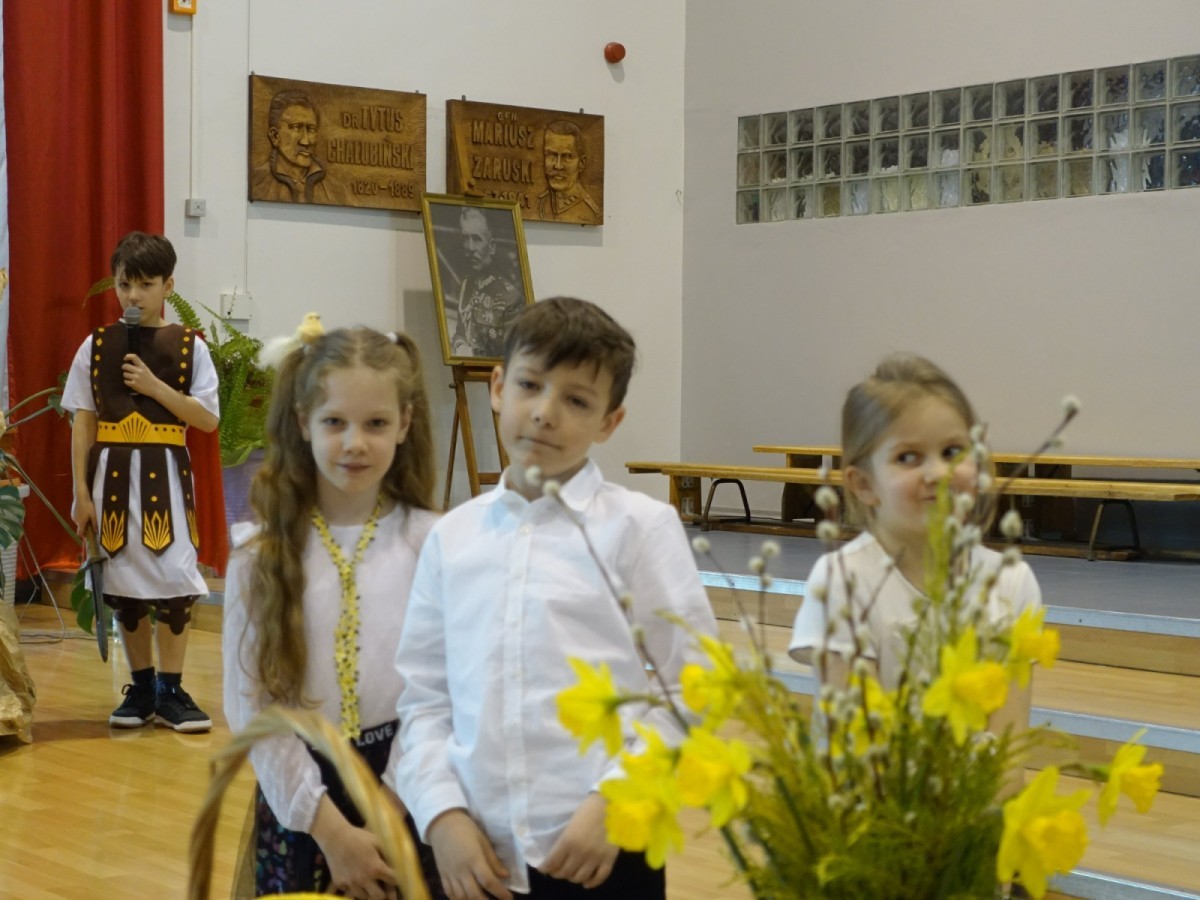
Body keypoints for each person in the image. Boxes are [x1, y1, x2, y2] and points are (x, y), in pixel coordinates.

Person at [393, 297, 718, 899]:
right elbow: (424, 698)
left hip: (602, 845)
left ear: (609, 422)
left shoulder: (639, 528)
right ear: (497, 388)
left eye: (576, 401)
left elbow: (695, 685)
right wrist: (441, 816)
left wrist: (617, 801)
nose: (545, 413)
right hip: (473, 855)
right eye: (530, 385)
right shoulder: (451, 537)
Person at [223, 324, 446, 898]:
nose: (355, 443)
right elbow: (252, 707)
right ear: (303, 423)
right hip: (303, 806)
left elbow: (443, 692)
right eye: (334, 422)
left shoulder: (434, 544)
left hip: (408, 788)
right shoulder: (258, 555)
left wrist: (386, 812)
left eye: (376, 423)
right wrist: (333, 832)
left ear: (405, 423)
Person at [788, 353, 1041, 733]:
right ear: (863, 484)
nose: (938, 473)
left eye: (952, 452)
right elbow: (858, 746)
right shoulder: (843, 580)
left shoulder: (1012, 582)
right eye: (908, 457)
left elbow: (1008, 744)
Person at [63, 232, 220, 732]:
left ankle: (172, 690)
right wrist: (81, 493)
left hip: (166, 477)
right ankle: (143, 688)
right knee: (124, 584)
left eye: (146, 285)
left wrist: (154, 387)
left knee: (174, 581)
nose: (133, 295)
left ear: (168, 285)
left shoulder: (190, 346)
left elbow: (207, 419)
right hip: (111, 479)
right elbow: (83, 420)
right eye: (124, 284)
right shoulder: (96, 345)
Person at [450, 206, 524, 359]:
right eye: (465, 238)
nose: (470, 247)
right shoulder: (466, 285)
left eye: (477, 239)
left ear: (491, 247)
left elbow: (512, 357)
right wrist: (460, 345)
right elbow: (460, 332)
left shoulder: (511, 297)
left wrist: (472, 354)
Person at [251, 89, 339, 205]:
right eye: (296, 127)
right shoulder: (256, 183)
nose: (305, 141)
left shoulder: (336, 190)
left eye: (311, 129)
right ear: (275, 136)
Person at [536, 121, 601, 225]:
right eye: (551, 155)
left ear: (581, 163)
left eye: (567, 156)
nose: (558, 165)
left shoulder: (590, 213)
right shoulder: (539, 203)